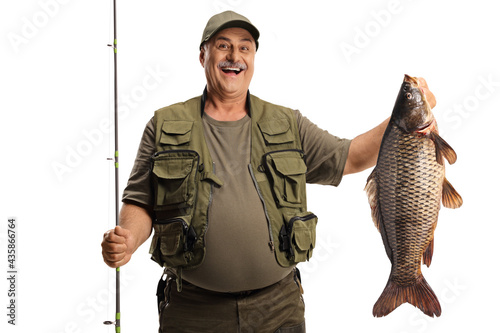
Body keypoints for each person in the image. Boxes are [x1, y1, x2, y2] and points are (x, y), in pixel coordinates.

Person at [101, 10, 436, 333]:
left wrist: (408, 118)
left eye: (245, 47)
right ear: (203, 56)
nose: (234, 55)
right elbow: (141, 202)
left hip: (278, 309)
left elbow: (349, 157)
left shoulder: (287, 123)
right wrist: (128, 240)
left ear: (253, 59)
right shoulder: (164, 124)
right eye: (223, 45)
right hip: (192, 311)